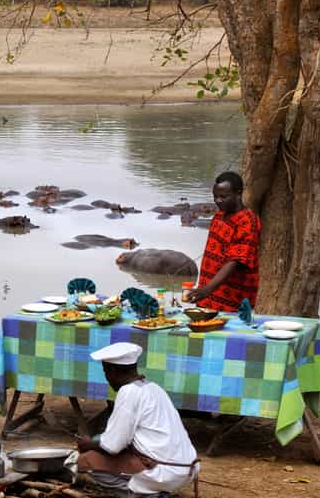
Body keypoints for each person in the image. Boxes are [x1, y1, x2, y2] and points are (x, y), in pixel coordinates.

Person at [76, 343, 199, 496]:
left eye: (105, 372)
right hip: (187, 467)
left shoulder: (128, 392)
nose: (107, 378)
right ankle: (151, 490)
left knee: (86, 460)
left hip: (164, 472)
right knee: (99, 441)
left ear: (112, 370)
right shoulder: (153, 387)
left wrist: (88, 443)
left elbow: (113, 445)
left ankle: (145, 494)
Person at [185, 171, 261, 312]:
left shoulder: (248, 221)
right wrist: (204, 290)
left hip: (232, 297)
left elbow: (236, 260)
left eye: (223, 197)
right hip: (209, 294)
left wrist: (207, 289)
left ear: (238, 193)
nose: (218, 201)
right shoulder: (219, 215)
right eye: (215, 197)